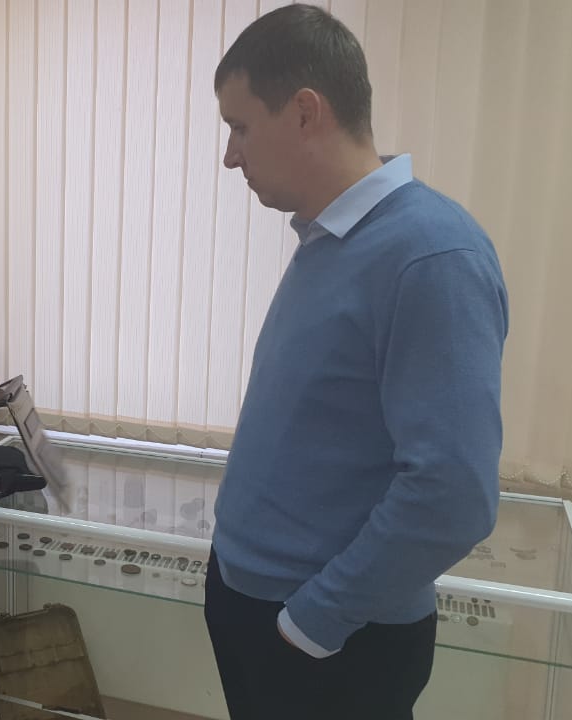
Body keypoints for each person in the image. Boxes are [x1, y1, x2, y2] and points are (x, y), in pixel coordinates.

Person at [204, 6, 509, 720]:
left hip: (330, 641)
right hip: (261, 602)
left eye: (240, 127)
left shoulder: (431, 254)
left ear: (305, 112)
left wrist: (315, 620)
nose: (230, 156)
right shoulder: (331, 239)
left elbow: (453, 494)